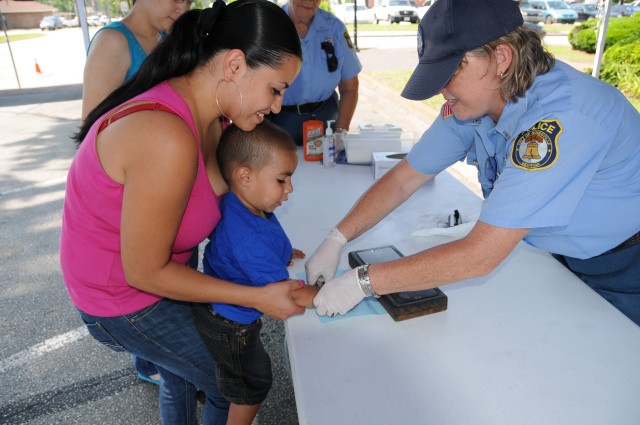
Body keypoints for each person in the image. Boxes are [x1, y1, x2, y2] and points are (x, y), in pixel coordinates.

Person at [307, 0, 640, 326]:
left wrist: (363, 282)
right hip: (564, 255)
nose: (440, 90)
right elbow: (404, 178)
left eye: (449, 72)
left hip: (626, 266)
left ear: (501, 59)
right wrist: (336, 238)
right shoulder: (476, 103)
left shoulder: (561, 118)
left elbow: (480, 256)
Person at [59, 1, 304, 423]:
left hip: (160, 270)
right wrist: (257, 297)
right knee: (236, 382)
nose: (278, 106)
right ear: (234, 65)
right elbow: (144, 272)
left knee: (184, 376)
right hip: (121, 296)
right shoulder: (165, 135)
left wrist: (268, 246)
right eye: (276, 89)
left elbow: (229, 208)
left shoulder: (219, 119)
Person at [81, 0, 193, 386]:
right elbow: (91, 136)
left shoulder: (170, 36)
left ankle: (168, 368)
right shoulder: (114, 43)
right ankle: (154, 364)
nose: (183, 5)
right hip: (127, 202)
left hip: (163, 199)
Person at [192, 121, 319, 425]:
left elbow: (264, 233)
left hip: (219, 306)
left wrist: (283, 252)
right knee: (254, 381)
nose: (290, 188)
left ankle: (222, 381)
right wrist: (332, 291)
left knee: (235, 372)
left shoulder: (243, 202)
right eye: (282, 180)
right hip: (231, 325)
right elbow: (290, 296)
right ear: (244, 176)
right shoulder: (250, 242)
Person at [81, 0, 191, 121]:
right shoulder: (111, 41)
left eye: (189, 2)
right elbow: (91, 127)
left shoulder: (167, 41)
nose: (184, 9)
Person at [270, 0, 362, 145]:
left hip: (327, 121)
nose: (310, 1)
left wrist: (340, 132)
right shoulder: (271, 25)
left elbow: (349, 86)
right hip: (280, 122)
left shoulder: (334, 28)